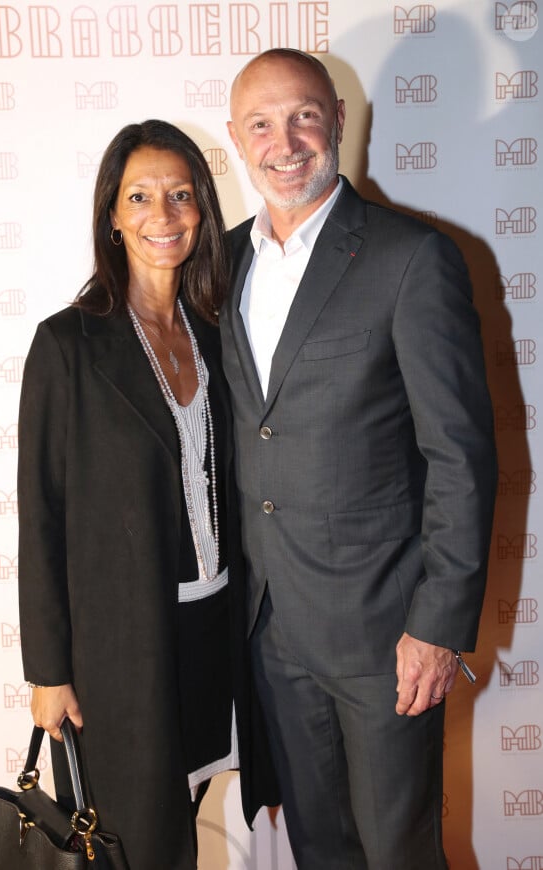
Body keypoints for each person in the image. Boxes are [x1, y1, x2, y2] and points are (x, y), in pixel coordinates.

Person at [220, 48, 498, 869]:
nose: (286, 141)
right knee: (320, 850)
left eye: (304, 114)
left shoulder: (411, 259)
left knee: (399, 851)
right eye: (261, 124)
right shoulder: (223, 262)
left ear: (339, 119)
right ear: (237, 141)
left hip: (386, 636)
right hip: (272, 632)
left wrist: (438, 626)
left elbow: (460, 457)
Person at [17, 119, 278, 870]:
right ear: (113, 216)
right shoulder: (68, 345)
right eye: (140, 196)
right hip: (124, 653)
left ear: (201, 209)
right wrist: (48, 671)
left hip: (218, 633)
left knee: (191, 821)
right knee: (139, 846)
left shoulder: (218, 327)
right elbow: (41, 515)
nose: (162, 215)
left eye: (180, 194)